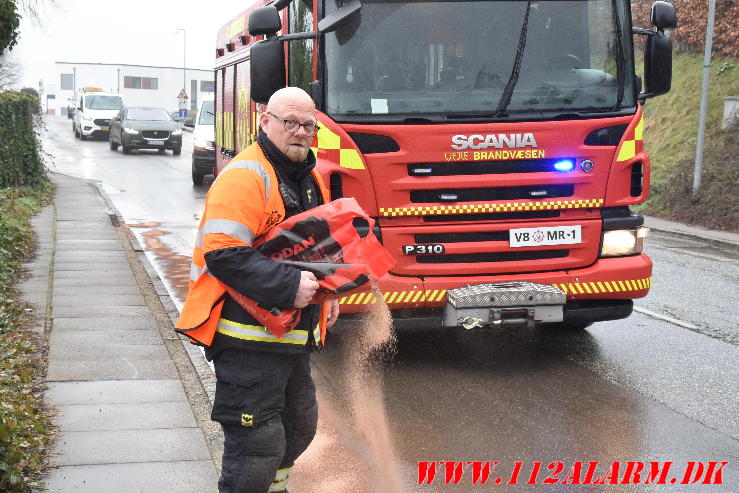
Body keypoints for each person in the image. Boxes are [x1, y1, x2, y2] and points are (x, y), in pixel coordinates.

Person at [175, 87, 340, 493]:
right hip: (244, 339)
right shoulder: (246, 176)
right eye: (290, 123)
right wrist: (288, 286)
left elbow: (316, 247)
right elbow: (223, 254)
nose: (300, 132)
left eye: (308, 125)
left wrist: (330, 294)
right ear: (265, 122)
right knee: (256, 448)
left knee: (299, 428)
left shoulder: (308, 177)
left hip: (289, 336)